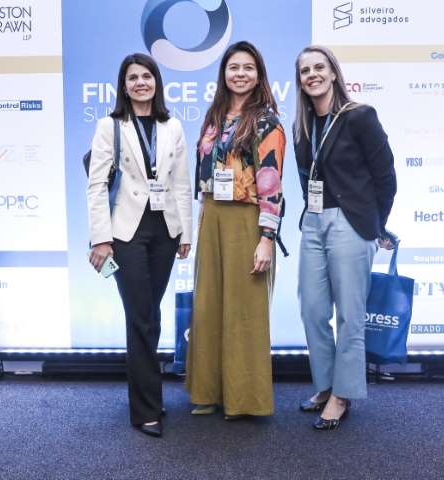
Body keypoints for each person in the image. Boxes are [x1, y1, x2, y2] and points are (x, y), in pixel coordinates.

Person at [87, 53, 192, 438]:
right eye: (133, 78)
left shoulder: (172, 126)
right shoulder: (109, 126)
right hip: (125, 232)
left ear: (156, 82)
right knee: (140, 317)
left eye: (146, 76)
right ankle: (146, 410)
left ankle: (149, 395)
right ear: (124, 85)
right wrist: (101, 238)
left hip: (165, 230)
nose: (140, 83)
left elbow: (181, 182)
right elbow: (97, 185)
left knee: (152, 314)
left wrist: (186, 233)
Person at [293, 45, 397, 430]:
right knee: (311, 309)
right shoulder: (303, 126)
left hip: (350, 223)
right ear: (300, 80)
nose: (313, 75)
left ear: (334, 73)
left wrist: (375, 224)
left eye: (319, 67)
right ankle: (325, 385)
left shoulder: (360, 116)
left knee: (350, 316)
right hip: (313, 222)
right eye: (305, 70)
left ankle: (342, 394)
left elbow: (386, 177)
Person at [186, 41, 286, 419]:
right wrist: (200, 220)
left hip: (247, 220)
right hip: (212, 216)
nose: (240, 74)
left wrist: (267, 239)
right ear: (223, 74)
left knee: (244, 311)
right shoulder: (214, 117)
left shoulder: (266, 122)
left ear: (258, 76)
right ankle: (208, 392)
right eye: (233, 67)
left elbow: (272, 182)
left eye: (247, 68)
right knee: (208, 306)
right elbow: (205, 174)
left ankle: (243, 399)